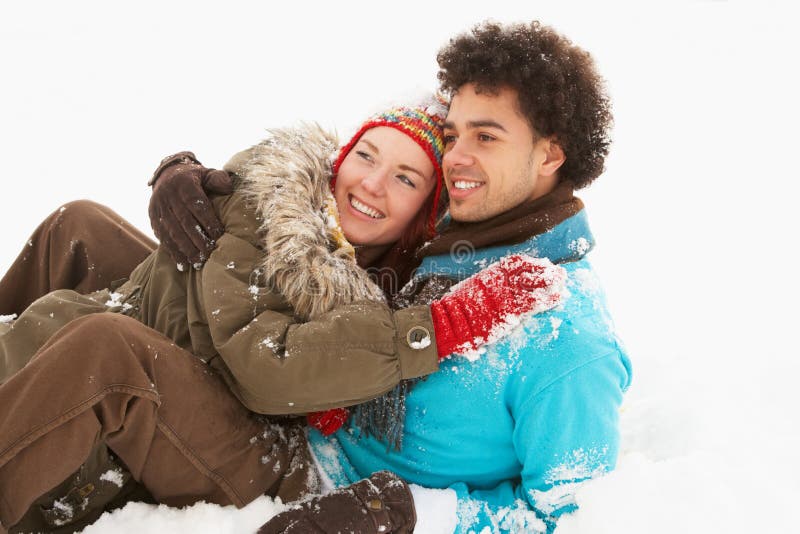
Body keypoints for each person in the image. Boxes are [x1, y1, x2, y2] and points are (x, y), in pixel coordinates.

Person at [0, 96, 564, 533]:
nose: (371, 183)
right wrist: (183, 172)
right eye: (366, 156)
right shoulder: (302, 216)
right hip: (213, 349)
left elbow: (266, 367)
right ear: (338, 160)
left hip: (253, 427)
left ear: (423, 214)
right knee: (78, 225)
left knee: (106, 347)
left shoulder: (400, 283)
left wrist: (437, 328)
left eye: (406, 178)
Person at [255, 21, 633, 533]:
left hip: (308, 487)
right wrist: (207, 182)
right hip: (280, 409)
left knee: (113, 352)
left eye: (486, 136)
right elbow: (345, 183)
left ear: (550, 153)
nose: (453, 156)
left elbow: (574, 519)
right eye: (453, 135)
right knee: (101, 232)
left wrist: (406, 516)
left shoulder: (566, 337)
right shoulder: (452, 224)